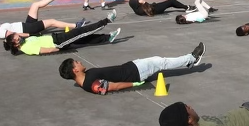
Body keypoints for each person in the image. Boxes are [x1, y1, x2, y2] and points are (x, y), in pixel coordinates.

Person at [58, 42, 206, 95]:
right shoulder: (91, 83)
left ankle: (189, 61)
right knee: (161, 62)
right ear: (75, 70)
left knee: (159, 61)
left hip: (132, 67)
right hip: (135, 72)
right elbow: (112, 87)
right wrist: (135, 84)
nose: (79, 62)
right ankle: (192, 59)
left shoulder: (83, 81)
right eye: (76, 63)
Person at [0, 0, 87, 40]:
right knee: (52, 22)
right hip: (28, 29)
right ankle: (76, 25)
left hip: (26, 25)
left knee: (34, 5)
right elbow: (15, 34)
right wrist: (31, 35)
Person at [6, 10, 120, 55]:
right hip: (59, 42)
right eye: (17, 37)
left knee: (83, 39)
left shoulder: (24, 41)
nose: (19, 36)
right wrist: (60, 48)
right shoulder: (27, 48)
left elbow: (25, 35)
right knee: (82, 31)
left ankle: (108, 38)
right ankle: (107, 20)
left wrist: (15, 36)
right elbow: (45, 50)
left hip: (56, 37)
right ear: (16, 43)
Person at [129, 0, 195, 17]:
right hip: (156, 9)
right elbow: (149, 9)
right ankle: (187, 7)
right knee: (171, 1)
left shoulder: (137, 9)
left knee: (171, 3)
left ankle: (186, 7)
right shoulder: (140, 10)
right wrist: (144, 2)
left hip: (155, 8)